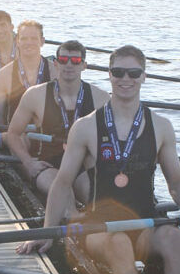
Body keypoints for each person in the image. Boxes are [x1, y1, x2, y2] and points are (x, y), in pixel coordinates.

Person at [17, 45, 180, 274]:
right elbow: (62, 183)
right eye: (118, 72)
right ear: (109, 75)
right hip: (100, 227)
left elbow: (177, 181)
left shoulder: (161, 126)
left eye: (133, 73)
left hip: (144, 221)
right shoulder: (85, 127)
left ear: (144, 76)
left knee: (173, 236)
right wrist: (48, 232)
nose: (125, 79)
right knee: (119, 242)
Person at [7, 40, 109, 202]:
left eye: (75, 61)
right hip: (47, 164)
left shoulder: (101, 98)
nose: (69, 65)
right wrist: (28, 163)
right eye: (63, 60)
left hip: (82, 166)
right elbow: (12, 134)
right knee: (64, 199)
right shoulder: (35, 95)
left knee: (96, 198)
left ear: (84, 66)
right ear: (55, 64)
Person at [0, 19, 54, 152]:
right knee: (22, 140)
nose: (28, 43)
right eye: (24, 39)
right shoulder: (4, 75)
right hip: (14, 134)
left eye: (34, 38)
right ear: (17, 42)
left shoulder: (55, 72)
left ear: (42, 41)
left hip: (46, 134)